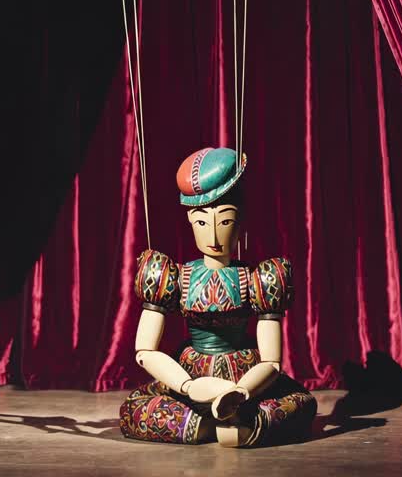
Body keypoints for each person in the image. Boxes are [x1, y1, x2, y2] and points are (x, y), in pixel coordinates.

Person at [118, 147, 316, 447]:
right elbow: (145, 351)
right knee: (133, 408)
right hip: (188, 374)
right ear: (190, 220)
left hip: (246, 374)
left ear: (240, 221)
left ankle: (226, 420)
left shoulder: (259, 278)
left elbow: (272, 362)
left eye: (225, 221)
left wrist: (241, 391)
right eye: (202, 222)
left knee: (302, 403)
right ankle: (226, 424)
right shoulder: (172, 275)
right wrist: (188, 385)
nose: (212, 236)